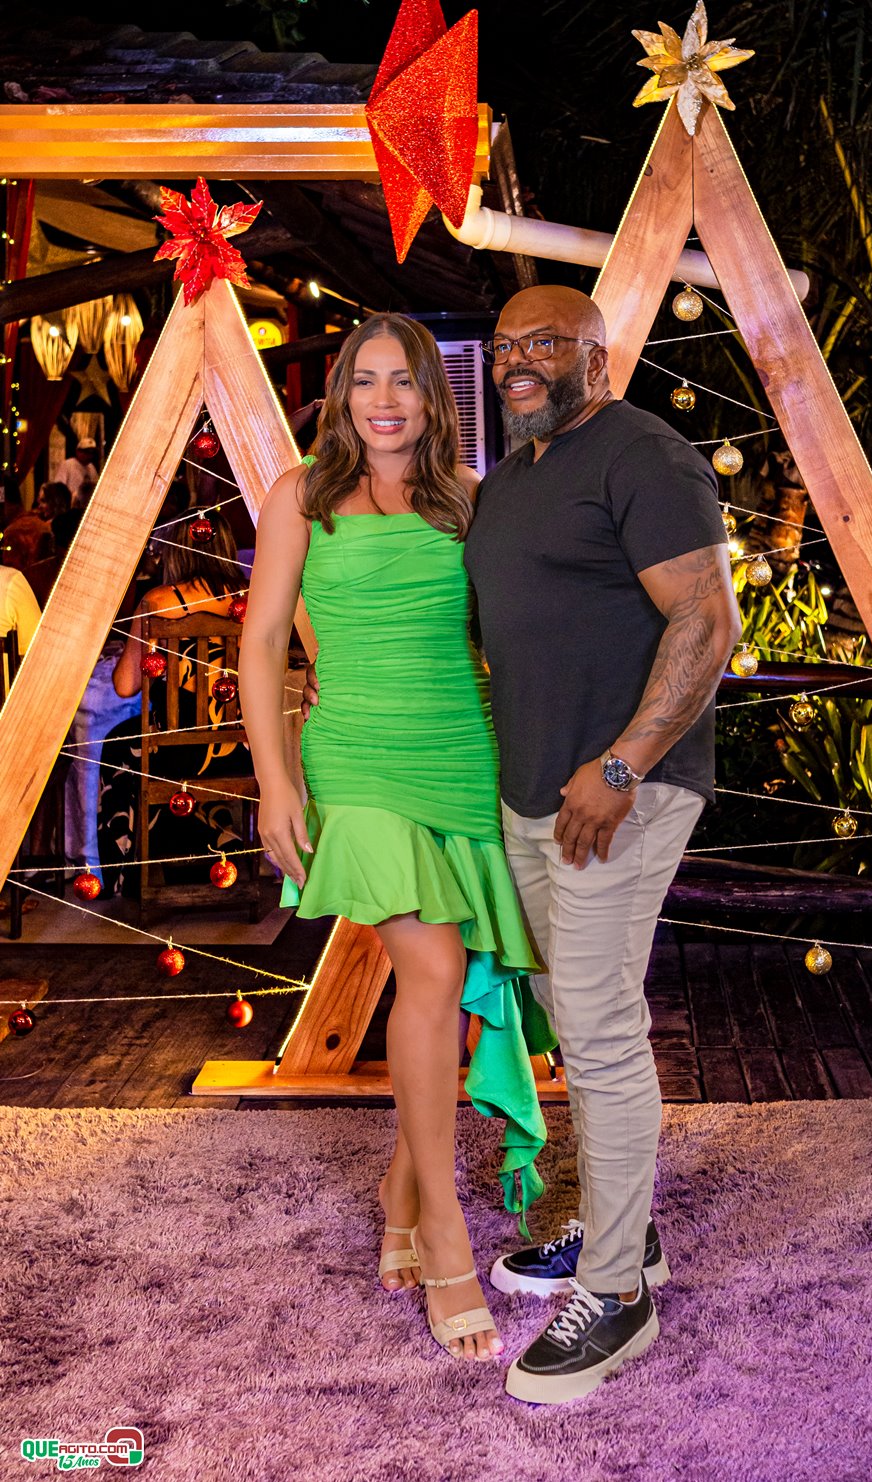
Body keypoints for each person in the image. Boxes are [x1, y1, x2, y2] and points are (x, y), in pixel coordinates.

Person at [302, 285, 741, 1404]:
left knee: (596, 1029)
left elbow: (708, 621)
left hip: (616, 793)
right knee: (566, 1012)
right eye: (505, 347)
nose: (519, 361)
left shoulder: (643, 454)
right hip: (526, 794)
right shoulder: (513, 479)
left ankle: (619, 1293)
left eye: (546, 343)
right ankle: (625, 1231)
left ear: (599, 356)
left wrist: (622, 766)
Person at [239, 312, 554, 1366]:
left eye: (403, 381)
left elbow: (513, 634)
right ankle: (447, 1237)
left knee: (455, 980)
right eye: (365, 380)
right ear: (341, 395)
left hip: (463, 756)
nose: (384, 400)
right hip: (356, 760)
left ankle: (399, 1194)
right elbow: (261, 642)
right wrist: (275, 781)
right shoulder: (300, 495)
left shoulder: (470, 501)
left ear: (432, 396)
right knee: (433, 967)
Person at [96, 510, 253, 895]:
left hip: (174, 750)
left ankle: (128, 875)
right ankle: (215, 849)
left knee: (118, 746)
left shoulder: (157, 601)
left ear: (177, 550)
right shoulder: (252, 598)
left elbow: (125, 686)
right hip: (242, 748)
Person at [55, 436, 99, 509]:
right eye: (87, 452)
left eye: (92, 453)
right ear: (78, 451)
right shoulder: (67, 464)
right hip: (70, 507)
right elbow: (59, 488)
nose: (89, 456)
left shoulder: (91, 467)